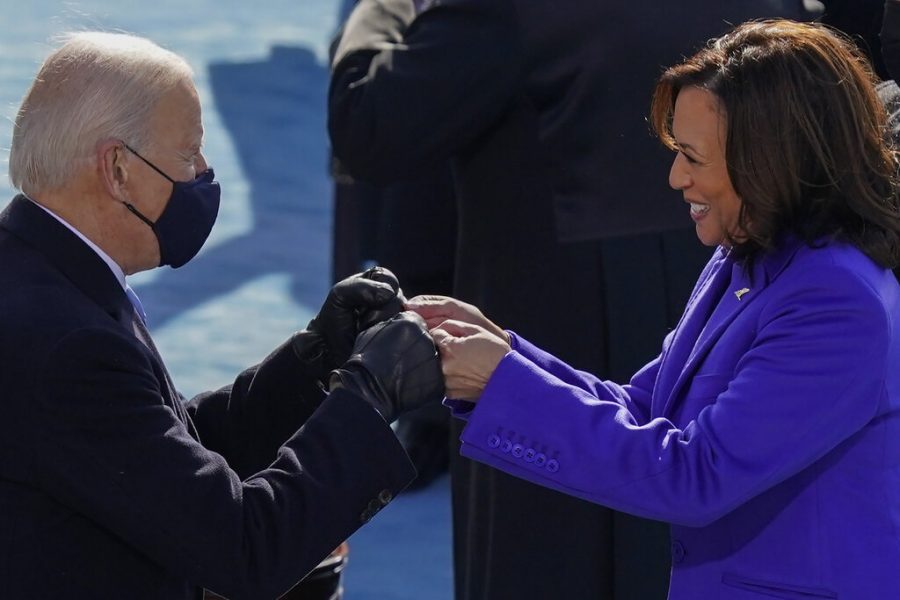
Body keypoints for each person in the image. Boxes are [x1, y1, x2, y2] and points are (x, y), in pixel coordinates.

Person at [329, 2, 816, 598]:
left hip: (557, 303)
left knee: (544, 556)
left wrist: (385, 8)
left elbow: (371, 123)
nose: (675, 173)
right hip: (725, 298)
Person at [410, 19, 900, 598]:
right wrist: (501, 356)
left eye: (693, 157)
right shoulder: (750, 249)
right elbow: (649, 406)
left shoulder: (836, 303)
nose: (675, 178)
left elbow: (696, 475)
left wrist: (501, 383)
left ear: (772, 161)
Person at [0, 32, 444, 599]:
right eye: (188, 154)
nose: (203, 174)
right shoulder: (68, 344)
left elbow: (158, 451)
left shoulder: (41, 272)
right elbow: (242, 548)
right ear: (117, 170)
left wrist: (313, 360)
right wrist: (368, 397)